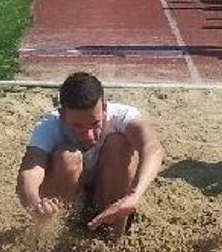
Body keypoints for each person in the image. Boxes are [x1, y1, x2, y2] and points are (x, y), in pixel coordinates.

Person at [16, 71, 164, 239]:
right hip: (69, 198)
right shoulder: (49, 125)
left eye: (95, 124)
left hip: (107, 191)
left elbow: (152, 148)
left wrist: (135, 195)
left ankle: (113, 236)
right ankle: (56, 235)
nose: (89, 136)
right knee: (67, 157)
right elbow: (29, 172)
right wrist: (36, 204)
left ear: (104, 109)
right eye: (77, 126)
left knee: (119, 143)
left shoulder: (122, 116)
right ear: (62, 115)